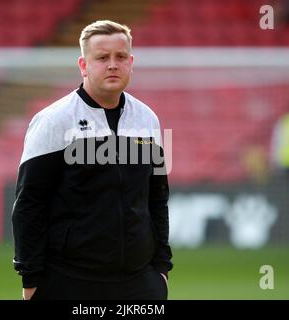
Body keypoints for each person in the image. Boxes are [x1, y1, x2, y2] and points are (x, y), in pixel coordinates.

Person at [12, 20, 173, 300]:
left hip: (139, 282)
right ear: (83, 65)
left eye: (120, 57)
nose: (113, 64)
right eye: (102, 57)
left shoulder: (148, 119)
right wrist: (32, 279)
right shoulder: (53, 120)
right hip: (69, 280)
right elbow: (29, 204)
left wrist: (161, 269)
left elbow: (157, 198)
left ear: (131, 62)